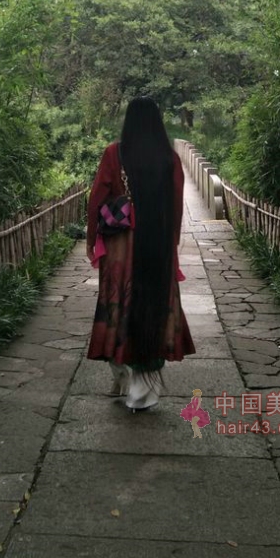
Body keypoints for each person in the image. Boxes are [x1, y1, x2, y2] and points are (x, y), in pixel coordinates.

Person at [86, 96, 195, 411]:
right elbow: (176, 209)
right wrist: (172, 244)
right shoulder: (169, 159)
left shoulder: (114, 153)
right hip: (156, 244)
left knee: (119, 304)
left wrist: (92, 239)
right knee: (152, 307)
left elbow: (96, 200)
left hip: (120, 248)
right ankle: (142, 392)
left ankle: (120, 371)